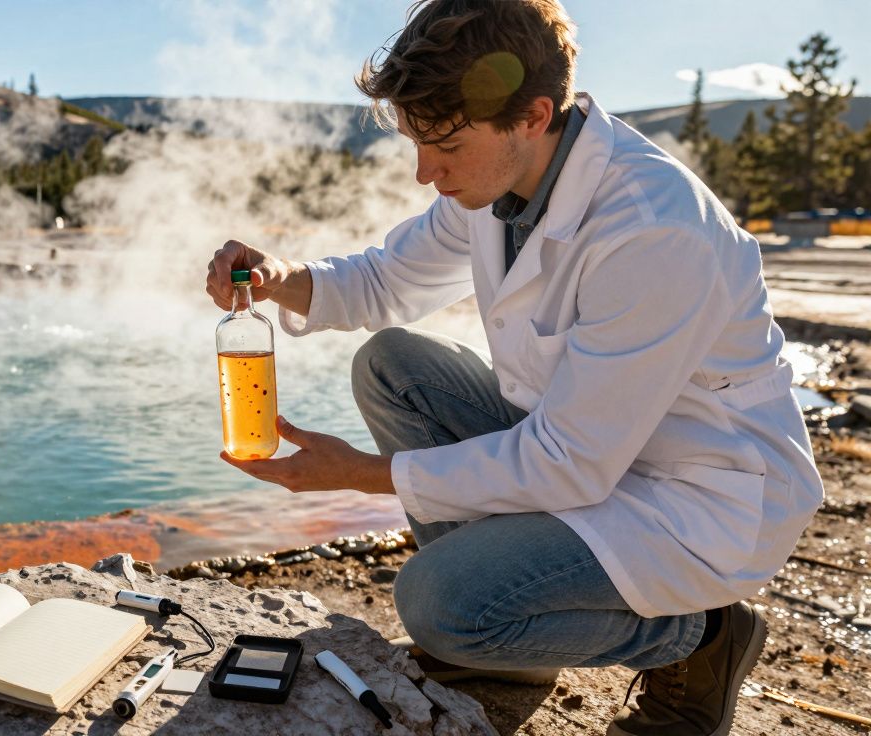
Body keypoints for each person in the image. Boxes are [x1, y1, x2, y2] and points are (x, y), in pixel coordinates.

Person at [203, 1, 823, 734]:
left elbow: (568, 463)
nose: (424, 172)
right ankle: (505, 647)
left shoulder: (652, 229)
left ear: (531, 116)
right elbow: (385, 280)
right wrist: (279, 277)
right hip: (590, 453)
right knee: (393, 365)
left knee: (438, 604)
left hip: (694, 499)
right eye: (417, 143)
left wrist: (362, 473)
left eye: (444, 146)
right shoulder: (500, 180)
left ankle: (701, 634)